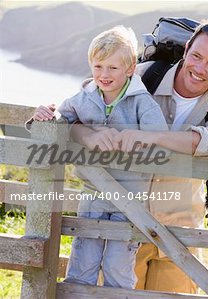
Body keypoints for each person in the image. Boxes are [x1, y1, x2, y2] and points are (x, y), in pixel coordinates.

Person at [69, 18, 208, 293]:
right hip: (124, 218)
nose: (200, 69)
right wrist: (87, 135)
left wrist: (145, 137)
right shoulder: (144, 74)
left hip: (179, 228)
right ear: (186, 48)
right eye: (196, 56)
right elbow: (87, 98)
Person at [29, 26, 167, 289]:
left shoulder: (142, 103)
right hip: (92, 194)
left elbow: (159, 139)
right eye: (98, 66)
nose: (104, 74)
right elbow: (62, 118)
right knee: (83, 260)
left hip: (129, 200)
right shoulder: (84, 97)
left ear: (130, 70)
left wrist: (132, 138)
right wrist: (46, 115)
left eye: (113, 68)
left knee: (118, 264)